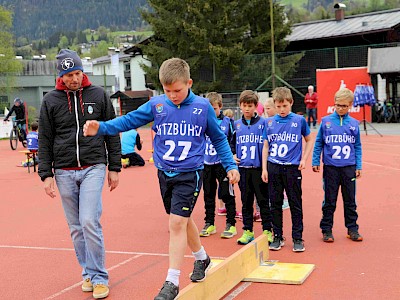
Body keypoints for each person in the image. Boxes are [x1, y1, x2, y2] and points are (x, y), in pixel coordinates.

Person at [83, 58, 240, 300]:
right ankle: (202, 258)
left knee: (176, 223)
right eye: (167, 91)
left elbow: (218, 138)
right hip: (164, 173)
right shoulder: (157, 105)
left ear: (189, 83)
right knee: (182, 220)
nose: (173, 95)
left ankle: (172, 281)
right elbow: (128, 120)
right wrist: (101, 127)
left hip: (190, 173)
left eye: (177, 90)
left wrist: (230, 165)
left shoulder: (202, 107)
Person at [38, 49, 121, 299]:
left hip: (93, 166)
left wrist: (114, 167)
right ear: (60, 76)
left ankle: (99, 277)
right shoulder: (50, 101)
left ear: (82, 71)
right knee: (75, 227)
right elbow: (45, 139)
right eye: (68, 75)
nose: (74, 78)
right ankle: (87, 271)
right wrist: (46, 174)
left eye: (77, 73)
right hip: (63, 171)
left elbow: (112, 131)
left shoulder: (98, 95)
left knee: (88, 221)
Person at [262, 87, 313, 252]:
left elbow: (309, 139)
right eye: (278, 106)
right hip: (274, 166)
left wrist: (304, 159)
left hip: (292, 168)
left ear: (290, 103)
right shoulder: (269, 122)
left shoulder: (299, 121)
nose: (282, 109)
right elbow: (266, 146)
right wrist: (264, 168)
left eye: (285, 106)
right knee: (275, 203)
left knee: (295, 203)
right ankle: (277, 236)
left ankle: (297, 238)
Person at [312, 88, 363, 243]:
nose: (340, 108)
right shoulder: (326, 122)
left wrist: (358, 165)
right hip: (331, 168)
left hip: (348, 168)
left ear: (350, 106)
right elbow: (319, 142)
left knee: (350, 200)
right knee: (329, 199)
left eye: (344, 106)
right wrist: (315, 161)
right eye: (338, 105)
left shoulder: (354, 124)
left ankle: (352, 228)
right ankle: (326, 229)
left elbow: (358, 146)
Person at [231, 90, 273, 245]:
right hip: (243, 169)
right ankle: (247, 231)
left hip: (258, 169)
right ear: (240, 106)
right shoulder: (236, 124)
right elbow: (230, 142)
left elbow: (268, 144)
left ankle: (267, 230)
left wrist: (265, 167)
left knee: (263, 200)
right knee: (246, 201)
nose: (247, 109)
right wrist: (233, 154)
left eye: (250, 106)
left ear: (256, 106)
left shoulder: (263, 124)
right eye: (244, 105)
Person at [200, 92, 237, 239]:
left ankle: (231, 224)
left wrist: (233, 156)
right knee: (208, 195)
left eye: (213, 109)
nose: (210, 112)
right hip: (206, 163)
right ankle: (209, 223)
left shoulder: (227, 122)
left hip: (222, 164)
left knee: (227, 194)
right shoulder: (202, 121)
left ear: (220, 107)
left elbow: (234, 140)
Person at [264, 98, 289, 211]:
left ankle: (284, 199)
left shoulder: (286, 122)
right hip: (269, 159)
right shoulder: (266, 122)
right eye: (265, 109)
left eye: (268, 108)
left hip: (283, 160)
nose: (266, 111)